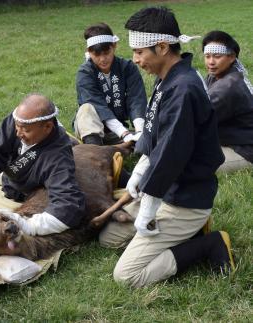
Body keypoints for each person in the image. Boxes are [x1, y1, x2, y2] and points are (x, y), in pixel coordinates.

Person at [112, 7, 234, 288]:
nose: (135, 59)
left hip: (184, 199)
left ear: (163, 47)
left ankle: (208, 244)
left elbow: (170, 156)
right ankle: (184, 234)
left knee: (127, 276)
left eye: (140, 52)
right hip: (166, 190)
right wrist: (140, 172)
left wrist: (146, 211)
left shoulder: (184, 90)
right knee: (109, 236)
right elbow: (154, 134)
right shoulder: (167, 78)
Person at [0, 94, 86, 236]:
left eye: (26, 130)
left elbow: (68, 205)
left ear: (48, 127)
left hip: (29, 189)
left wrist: (27, 225)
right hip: (10, 176)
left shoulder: (59, 155)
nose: (18, 133)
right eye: (17, 127)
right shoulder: (21, 120)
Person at [74, 22, 147, 146]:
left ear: (114, 46)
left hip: (118, 130)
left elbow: (137, 99)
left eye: (106, 53)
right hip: (90, 130)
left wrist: (140, 132)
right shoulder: (85, 72)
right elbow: (97, 105)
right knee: (86, 109)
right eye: (97, 55)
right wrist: (124, 133)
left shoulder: (127, 67)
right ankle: (94, 150)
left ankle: (130, 142)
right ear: (89, 52)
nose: (103, 59)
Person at [202, 30, 253, 172]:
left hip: (244, 150)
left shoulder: (229, 87)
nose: (211, 62)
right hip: (227, 142)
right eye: (207, 56)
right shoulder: (216, 75)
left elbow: (196, 117)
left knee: (188, 165)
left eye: (217, 56)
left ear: (231, 57)